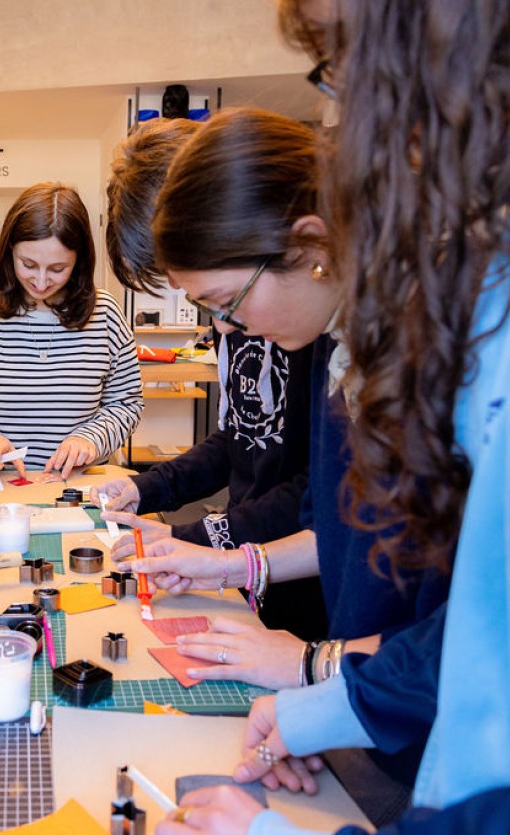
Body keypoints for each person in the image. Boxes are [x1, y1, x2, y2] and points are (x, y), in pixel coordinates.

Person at [159, 1, 510, 835]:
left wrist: (315, 674)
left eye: (349, 54)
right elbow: (489, 615)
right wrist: (331, 702)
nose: (356, 113)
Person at [103, 108, 446, 824]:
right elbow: (333, 522)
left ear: (310, 244)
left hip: (428, 732)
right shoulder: (335, 339)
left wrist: (312, 666)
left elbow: (474, 634)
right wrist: (231, 567)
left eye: (225, 303)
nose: (228, 329)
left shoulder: (434, 351)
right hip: (369, 699)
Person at [97, 117, 326, 642]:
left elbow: (322, 498)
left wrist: (204, 539)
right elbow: (239, 439)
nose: (221, 323)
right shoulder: (246, 311)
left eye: (219, 297)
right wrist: (147, 489)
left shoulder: (306, 320)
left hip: (305, 579)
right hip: (264, 565)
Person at [0, 182, 144, 478]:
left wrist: (90, 440)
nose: (41, 281)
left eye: (58, 269)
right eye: (29, 264)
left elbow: (126, 404)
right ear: (9, 251)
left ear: (79, 261)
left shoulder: (106, 314)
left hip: (78, 485)